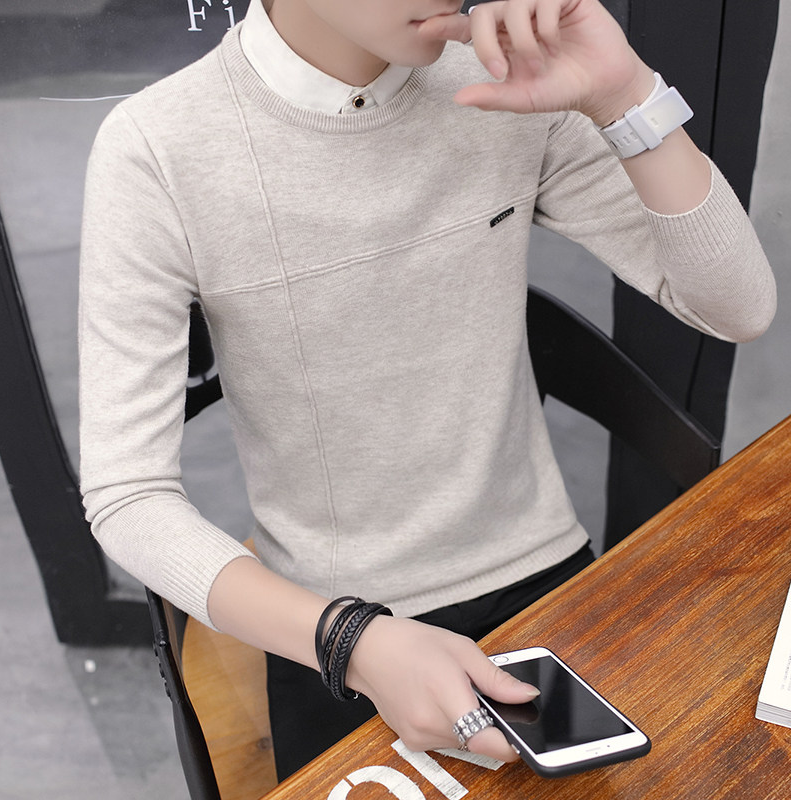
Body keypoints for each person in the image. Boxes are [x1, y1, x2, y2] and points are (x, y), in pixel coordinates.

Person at [78, 0, 776, 781]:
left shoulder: (505, 85)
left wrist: (625, 96)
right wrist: (351, 641)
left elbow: (738, 307)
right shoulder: (158, 147)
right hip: (333, 623)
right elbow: (127, 494)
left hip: (546, 578)